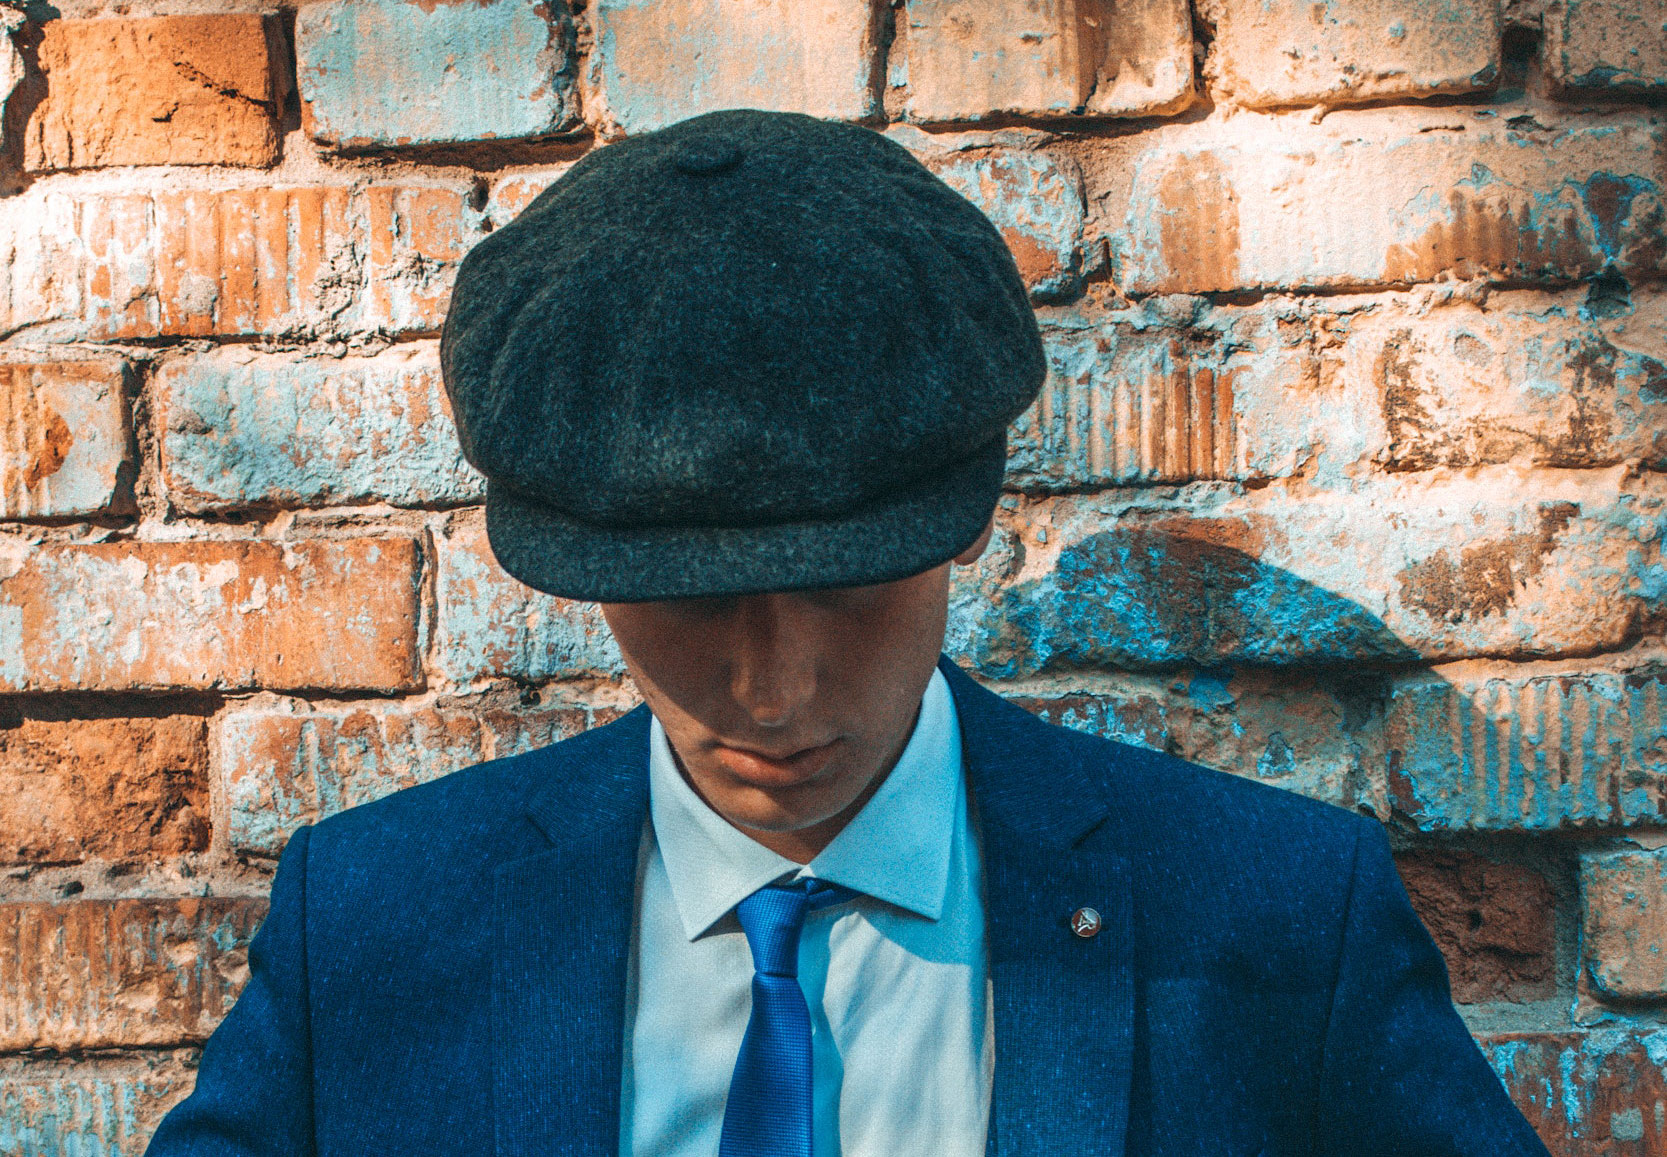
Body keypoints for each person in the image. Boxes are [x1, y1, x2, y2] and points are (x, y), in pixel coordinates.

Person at [145, 109, 1550, 1157]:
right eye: (693, 599)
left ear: (953, 523)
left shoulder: (1279, 915)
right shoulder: (376, 923)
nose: (776, 686)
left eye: (848, 583)